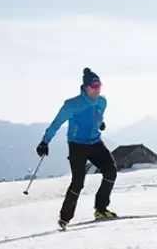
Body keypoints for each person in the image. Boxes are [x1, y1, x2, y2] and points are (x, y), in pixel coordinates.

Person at [36, 68, 116, 228]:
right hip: (77, 145)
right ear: (85, 87)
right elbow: (56, 123)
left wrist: (100, 123)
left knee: (111, 171)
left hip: (95, 142)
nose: (97, 89)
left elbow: (98, 116)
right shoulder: (72, 105)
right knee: (78, 182)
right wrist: (45, 141)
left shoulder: (102, 101)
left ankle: (101, 209)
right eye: (93, 86)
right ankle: (65, 218)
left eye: (99, 85)